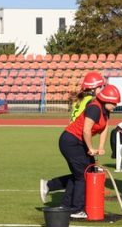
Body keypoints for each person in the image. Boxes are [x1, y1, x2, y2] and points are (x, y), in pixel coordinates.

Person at [45, 84, 120, 218]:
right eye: (114, 103)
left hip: (80, 143)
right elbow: (86, 130)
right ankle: (76, 209)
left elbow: (104, 129)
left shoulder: (105, 111)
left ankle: (66, 205)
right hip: (71, 141)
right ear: (106, 100)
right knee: (83, 175)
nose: (116, 106)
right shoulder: (94, 108)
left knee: (86, 171)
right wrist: (91, 148)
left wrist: (101, 147)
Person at [40, 72, 107, 202]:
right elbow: (87, 125)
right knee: (82, 174)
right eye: (101, 87)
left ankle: (61, 197)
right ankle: (57, 192)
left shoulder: (81, 99)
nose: (103, 90)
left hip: (75, 137)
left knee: (84, 172)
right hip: (76, 139)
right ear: (94, 88)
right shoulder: (91, 102)